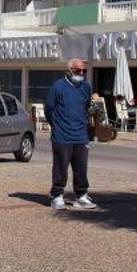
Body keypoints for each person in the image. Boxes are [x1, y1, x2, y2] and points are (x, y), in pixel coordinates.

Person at [45, 58, 95, 209]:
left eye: (83, 71)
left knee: (81, 168)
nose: (81, 73)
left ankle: (81, 195)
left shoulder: (86, 87)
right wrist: (57, 126)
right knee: (60, 168)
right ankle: (57, 195)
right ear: (69, 70)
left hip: (80, 135)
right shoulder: (58, 87)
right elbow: (49, 109)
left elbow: (85, 107)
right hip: (62, 135)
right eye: (77, 70)